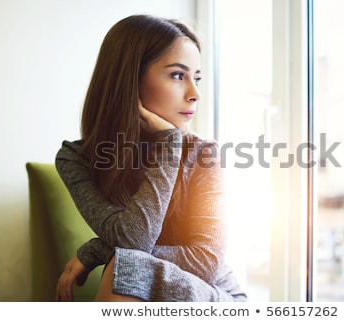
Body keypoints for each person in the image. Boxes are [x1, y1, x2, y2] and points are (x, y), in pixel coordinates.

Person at [54, 14, 247, 302]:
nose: (195, 94)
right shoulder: (75, 158)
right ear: (130, 79)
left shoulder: (204, 154)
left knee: (124, 266)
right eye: (178, 75)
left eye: (197, 78)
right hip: (137, 286)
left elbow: (206, 262)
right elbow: (133, 241)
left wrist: (97, 250)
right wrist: (169, 145)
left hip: (216, 296)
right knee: (126, 267)